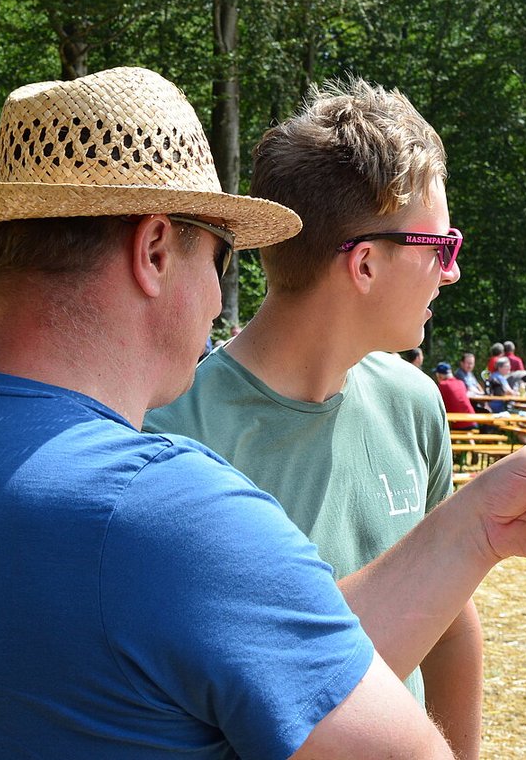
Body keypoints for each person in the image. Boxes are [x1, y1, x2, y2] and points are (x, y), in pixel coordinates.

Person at [0, 66, 526, 758]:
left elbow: (271, 664)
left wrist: (472, 533)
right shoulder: (164, 505)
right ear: (154, 251)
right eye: (218, 256)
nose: (220, 299)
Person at [145, 78, 482, 746]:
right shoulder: (174, 437)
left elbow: (450, 622)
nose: (451, 272)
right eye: (440, 248)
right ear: (365, 265)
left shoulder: (414, 403)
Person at [434, 362, 477, 432]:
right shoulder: (461, 383)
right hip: (473, 421)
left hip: (459, 424)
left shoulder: (442, 385)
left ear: (440, 375)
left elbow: (437, 405)